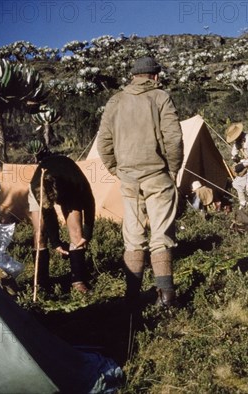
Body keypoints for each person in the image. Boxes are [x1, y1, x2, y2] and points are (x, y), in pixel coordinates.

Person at [97, 56, 183, 308]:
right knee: (161, 235)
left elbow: (104, 142)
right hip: (157, 175)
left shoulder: (115, 101)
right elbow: (174, 139)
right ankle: (166, 295)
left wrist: (116, 169)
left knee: (133, 236)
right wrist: (174, 170)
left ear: (133, 76)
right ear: (155, 76)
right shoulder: (160, 97)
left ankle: (131, 297)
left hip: (128, 177)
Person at [29, 154, 95, 294]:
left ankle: (78, 281)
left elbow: (89, 204)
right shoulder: (37, 186)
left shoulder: (77, 183)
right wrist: (55, 242)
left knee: (77, 233)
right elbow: (48, 215)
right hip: (42, 188)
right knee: (39, 233)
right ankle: (41, 283)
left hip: (69, 188)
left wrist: (87, 233)